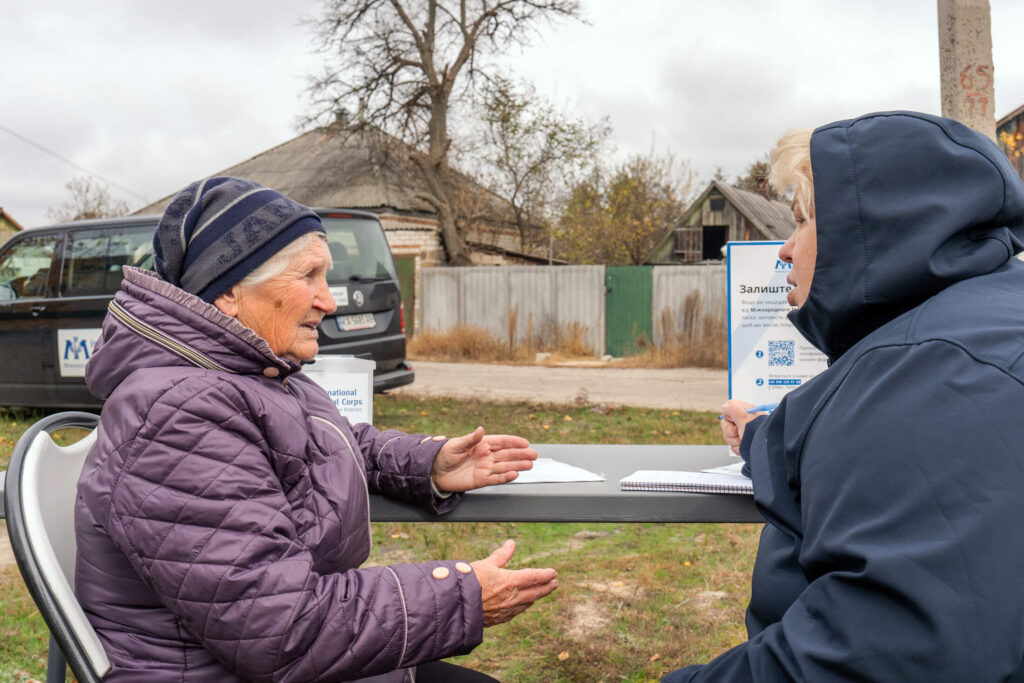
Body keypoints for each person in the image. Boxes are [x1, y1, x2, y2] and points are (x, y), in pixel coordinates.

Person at [75, 177, 558, 682]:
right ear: (230, 294)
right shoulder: (178, 416)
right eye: (309, 276)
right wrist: (463, 594)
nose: (329, 301)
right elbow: (282, 631)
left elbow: (330, 443)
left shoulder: (254, 373)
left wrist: (429, 464)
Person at [663, 111, 1024, 681]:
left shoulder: (935, 377)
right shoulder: (951, 337)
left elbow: (872, 657)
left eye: (801, 222)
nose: (783, 251)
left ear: (867, 232)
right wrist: (761, 435)